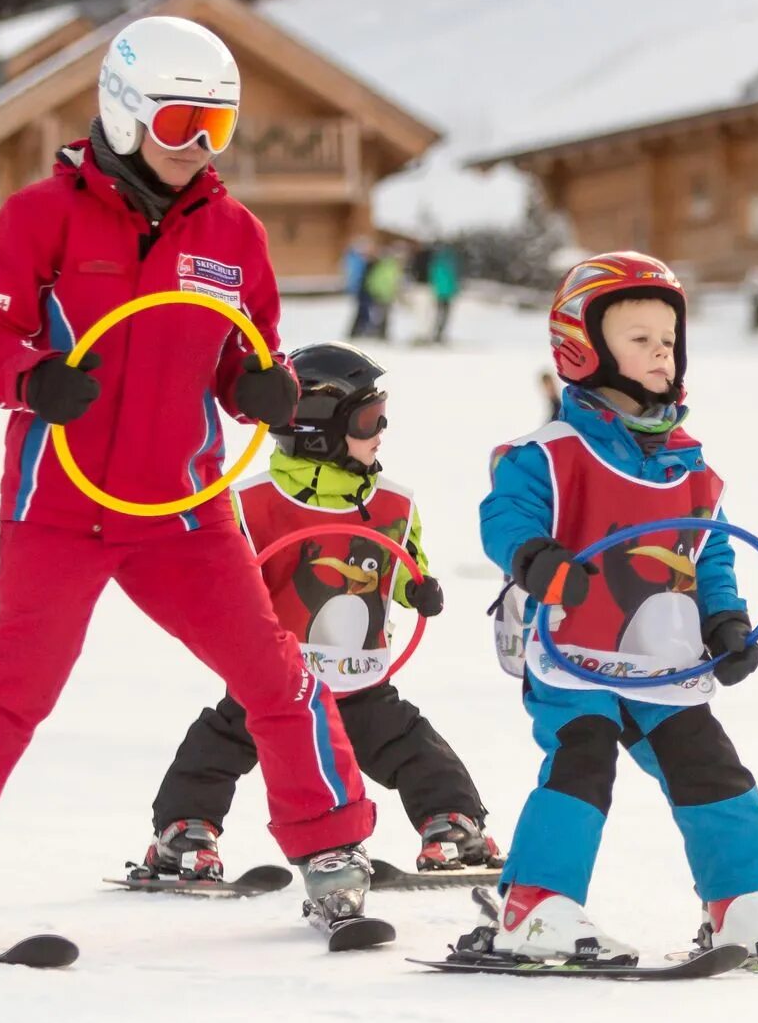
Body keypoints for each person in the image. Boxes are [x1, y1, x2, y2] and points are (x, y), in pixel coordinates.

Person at [0, 15, 377, 938]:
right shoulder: (41, 217)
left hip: (181, 511)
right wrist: (32, 378)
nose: (198, 149)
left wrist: (269, 388)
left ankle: (333, 846)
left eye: (217, 130)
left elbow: (246, 362)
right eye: (182, 125)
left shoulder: (233, 236)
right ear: (127, 110)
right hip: (58, 505)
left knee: (273, 671)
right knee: (19, 682)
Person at [475, 251, 758, 966]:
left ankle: (741, 903)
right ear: (583, 349)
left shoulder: (689, 467)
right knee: (581, 764)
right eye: (639, 338)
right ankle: (535, 907)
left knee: (712, 770)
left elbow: (709, 551)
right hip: (576, 656)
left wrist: (726, 620)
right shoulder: (550, 454)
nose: (662, 352)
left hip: (663, 662)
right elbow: (506, 517)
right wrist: (537, 560)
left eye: (669, 340)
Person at [136, 342, 500, 880]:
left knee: (412, 745)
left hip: (359, 680)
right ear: (317, 429)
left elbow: (400, 564)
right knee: (220, 742)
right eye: (370, 419)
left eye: (383, 417)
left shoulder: (393, 503)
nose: (381, 431)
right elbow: (228, 584)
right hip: (276, 681)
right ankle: (185, 828)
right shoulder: (251, 504)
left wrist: (416, 590)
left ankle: (451, 822)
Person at [363, 243, 404, 341]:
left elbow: (395, 282)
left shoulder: (392, 267)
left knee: (384, 315)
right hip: (381, 294)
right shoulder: (385, 267)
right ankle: (377, 332)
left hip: (387, 295)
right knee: (379, 315)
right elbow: (376, 280)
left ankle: (382, 332)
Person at [428, 242, 461, 345]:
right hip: (444, 294)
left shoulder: (437, 265)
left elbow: (434, 279)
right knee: (442, 315)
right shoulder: (448, 266)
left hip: (441, 293)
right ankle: (438, 335)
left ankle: (438, 334)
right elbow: (452, 280)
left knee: (440, 314)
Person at [344, 236, 374, 338]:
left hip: (363, 288)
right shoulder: (356, 260)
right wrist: (354, 287)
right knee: (362, 310)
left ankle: (360, 330)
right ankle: (357, 331)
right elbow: (354, 275)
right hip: (360, 288)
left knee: (363, 310)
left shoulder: (358, 259)